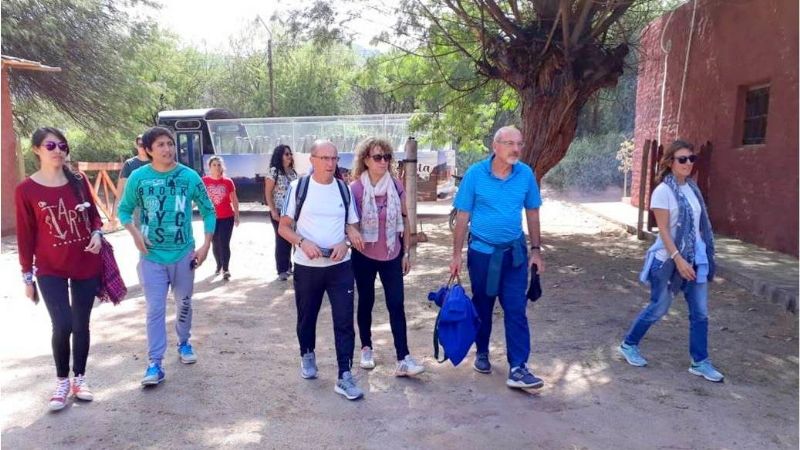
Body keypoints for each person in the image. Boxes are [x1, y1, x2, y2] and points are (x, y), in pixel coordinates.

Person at [449, 125, 546, 390]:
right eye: (510, 143)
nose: (516, 149)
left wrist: (536, 250)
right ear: (496, 146)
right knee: (483, 304)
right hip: (482, 254)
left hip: (514, 254)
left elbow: (533, 213)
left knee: (516, 307)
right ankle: (482, 352)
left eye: (519, 144)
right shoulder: (475, 175)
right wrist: (456, 254)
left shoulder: (525, 174)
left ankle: (518, 367)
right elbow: (462, 217)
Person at [118, 126, 216, 386]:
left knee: (184, 303)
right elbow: (124, 211)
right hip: (151, 257)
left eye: (170, 144)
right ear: (148, 150)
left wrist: (206, 245)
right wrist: (135, 234)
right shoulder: (139, 177)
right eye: (160, 145)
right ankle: (155, 364)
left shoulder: (189, 176)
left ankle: (184, 343)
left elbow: (209, 210)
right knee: (155, 309)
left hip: (184, 255)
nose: (168, 149)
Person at [618, 140, 723, 382]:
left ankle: (700, 362)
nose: (687, 164)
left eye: (691, 159)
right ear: (669, 162)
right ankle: (628, 344)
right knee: (658, 308)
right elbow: (663, 231)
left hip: (696, 259)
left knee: (701, 312)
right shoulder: (662, 191)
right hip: (668, 262)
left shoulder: (693, 188)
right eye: (682, 159)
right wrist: (678, 260)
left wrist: (699, 256)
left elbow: (699, 227)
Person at [15, 127, 103, 411]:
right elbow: (25, 235)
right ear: (36, 150)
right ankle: (62, 381)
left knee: (81, 324)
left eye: (62, 145)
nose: (58, 150)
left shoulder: (78, 180)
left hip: (85, 262)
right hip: (49, 268)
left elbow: (95, 219)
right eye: (51, 145)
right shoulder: (26, 190)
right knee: (62, 324)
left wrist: (97, 235)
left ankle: (80, 378)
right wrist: (27, 275)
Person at [278, 139, 366, 401]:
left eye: (334, 159)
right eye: (324, 158)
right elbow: (284, 227)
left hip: (340, 266)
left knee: (344, 321)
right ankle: (307, 353)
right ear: (312, 160)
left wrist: (346, 242)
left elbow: (353, 227)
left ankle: (345, 375)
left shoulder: (343, 189)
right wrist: (302, 242)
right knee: (307, 317)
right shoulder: (298, 188)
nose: (330, 164)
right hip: (307, 267)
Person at [350, 137, 425, 377]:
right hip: (364, 254)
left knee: (396, 304)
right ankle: (366, 348)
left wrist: (406, 252)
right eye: (377, 157)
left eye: (387, 157)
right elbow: (348, 222)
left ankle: (403, 357)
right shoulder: (356, 189)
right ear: (366, 160)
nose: (383, 162)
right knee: (366, 301)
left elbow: (405, 218)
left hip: (392, 253)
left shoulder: (396, 185)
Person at [202, 156, 239, 280]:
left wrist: (237, 216)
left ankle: (226, 269)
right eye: (214, 165)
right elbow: (199, 197)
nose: (217, 167)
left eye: (219, 165)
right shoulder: (204, 181)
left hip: (227, 217)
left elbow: (234, 199)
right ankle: (219, 264)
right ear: (209, 168)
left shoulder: (228, 182)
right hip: (211, 218)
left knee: (224, 243)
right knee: (215, 243)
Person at [264, 144, 297, 281]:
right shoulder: (274, 171)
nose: (290, 156)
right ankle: (282, 269)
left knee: (291, 239)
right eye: (286, 154)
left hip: (292, 212)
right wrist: (273, 210)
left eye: (290, 154)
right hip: (278, 210)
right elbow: (268, 192)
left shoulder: (292, 172)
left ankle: (289, 266)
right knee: (281, 239)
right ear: (280, 156)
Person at [115, 135, 150, 226]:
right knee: (140, 233)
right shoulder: (130, 163)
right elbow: (122, 184)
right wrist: (118, 205)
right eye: (140, 145)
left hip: (155, 202)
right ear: (136, 146)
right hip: (138, 204)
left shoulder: (156, 162)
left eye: (145, 144)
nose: (143, 147)